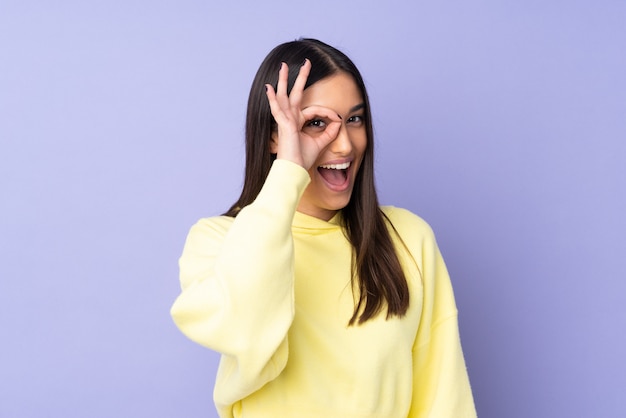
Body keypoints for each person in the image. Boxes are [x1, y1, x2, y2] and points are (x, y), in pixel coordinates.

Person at [170, 38, 476, 418]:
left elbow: (443, 398)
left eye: (355, 119)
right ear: (273, 135)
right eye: (316, 123)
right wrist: (289, 172)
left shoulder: (408, 238)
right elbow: (245, 328)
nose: (345, 144)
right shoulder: (220, 241)